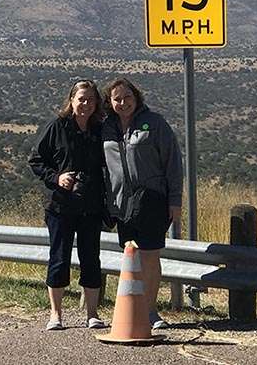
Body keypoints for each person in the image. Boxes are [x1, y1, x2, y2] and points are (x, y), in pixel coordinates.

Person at [101, 77, 182, 330]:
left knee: (149, 256)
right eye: (117, 99)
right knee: (131, 257)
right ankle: (132, 312)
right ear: (109, 102)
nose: (123, 103)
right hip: (122, 202)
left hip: (152, 200)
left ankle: (150, 312)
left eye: (127, 97)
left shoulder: (155, 124)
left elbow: (173, 163)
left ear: (136, 98)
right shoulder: (105, 129)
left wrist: (175, 200)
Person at [29, 79, 107, 331]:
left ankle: (92, 314)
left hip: (91, 206)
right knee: (59, 258)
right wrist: (56, 178)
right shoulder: (57, 127)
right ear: (71, 100)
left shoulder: (100, 130)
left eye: (90, 100)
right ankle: (56, 314)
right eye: (81, 99)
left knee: (91, 259)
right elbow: (36, 160)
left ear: (97, 104)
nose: (85, 104)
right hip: (61, 206)